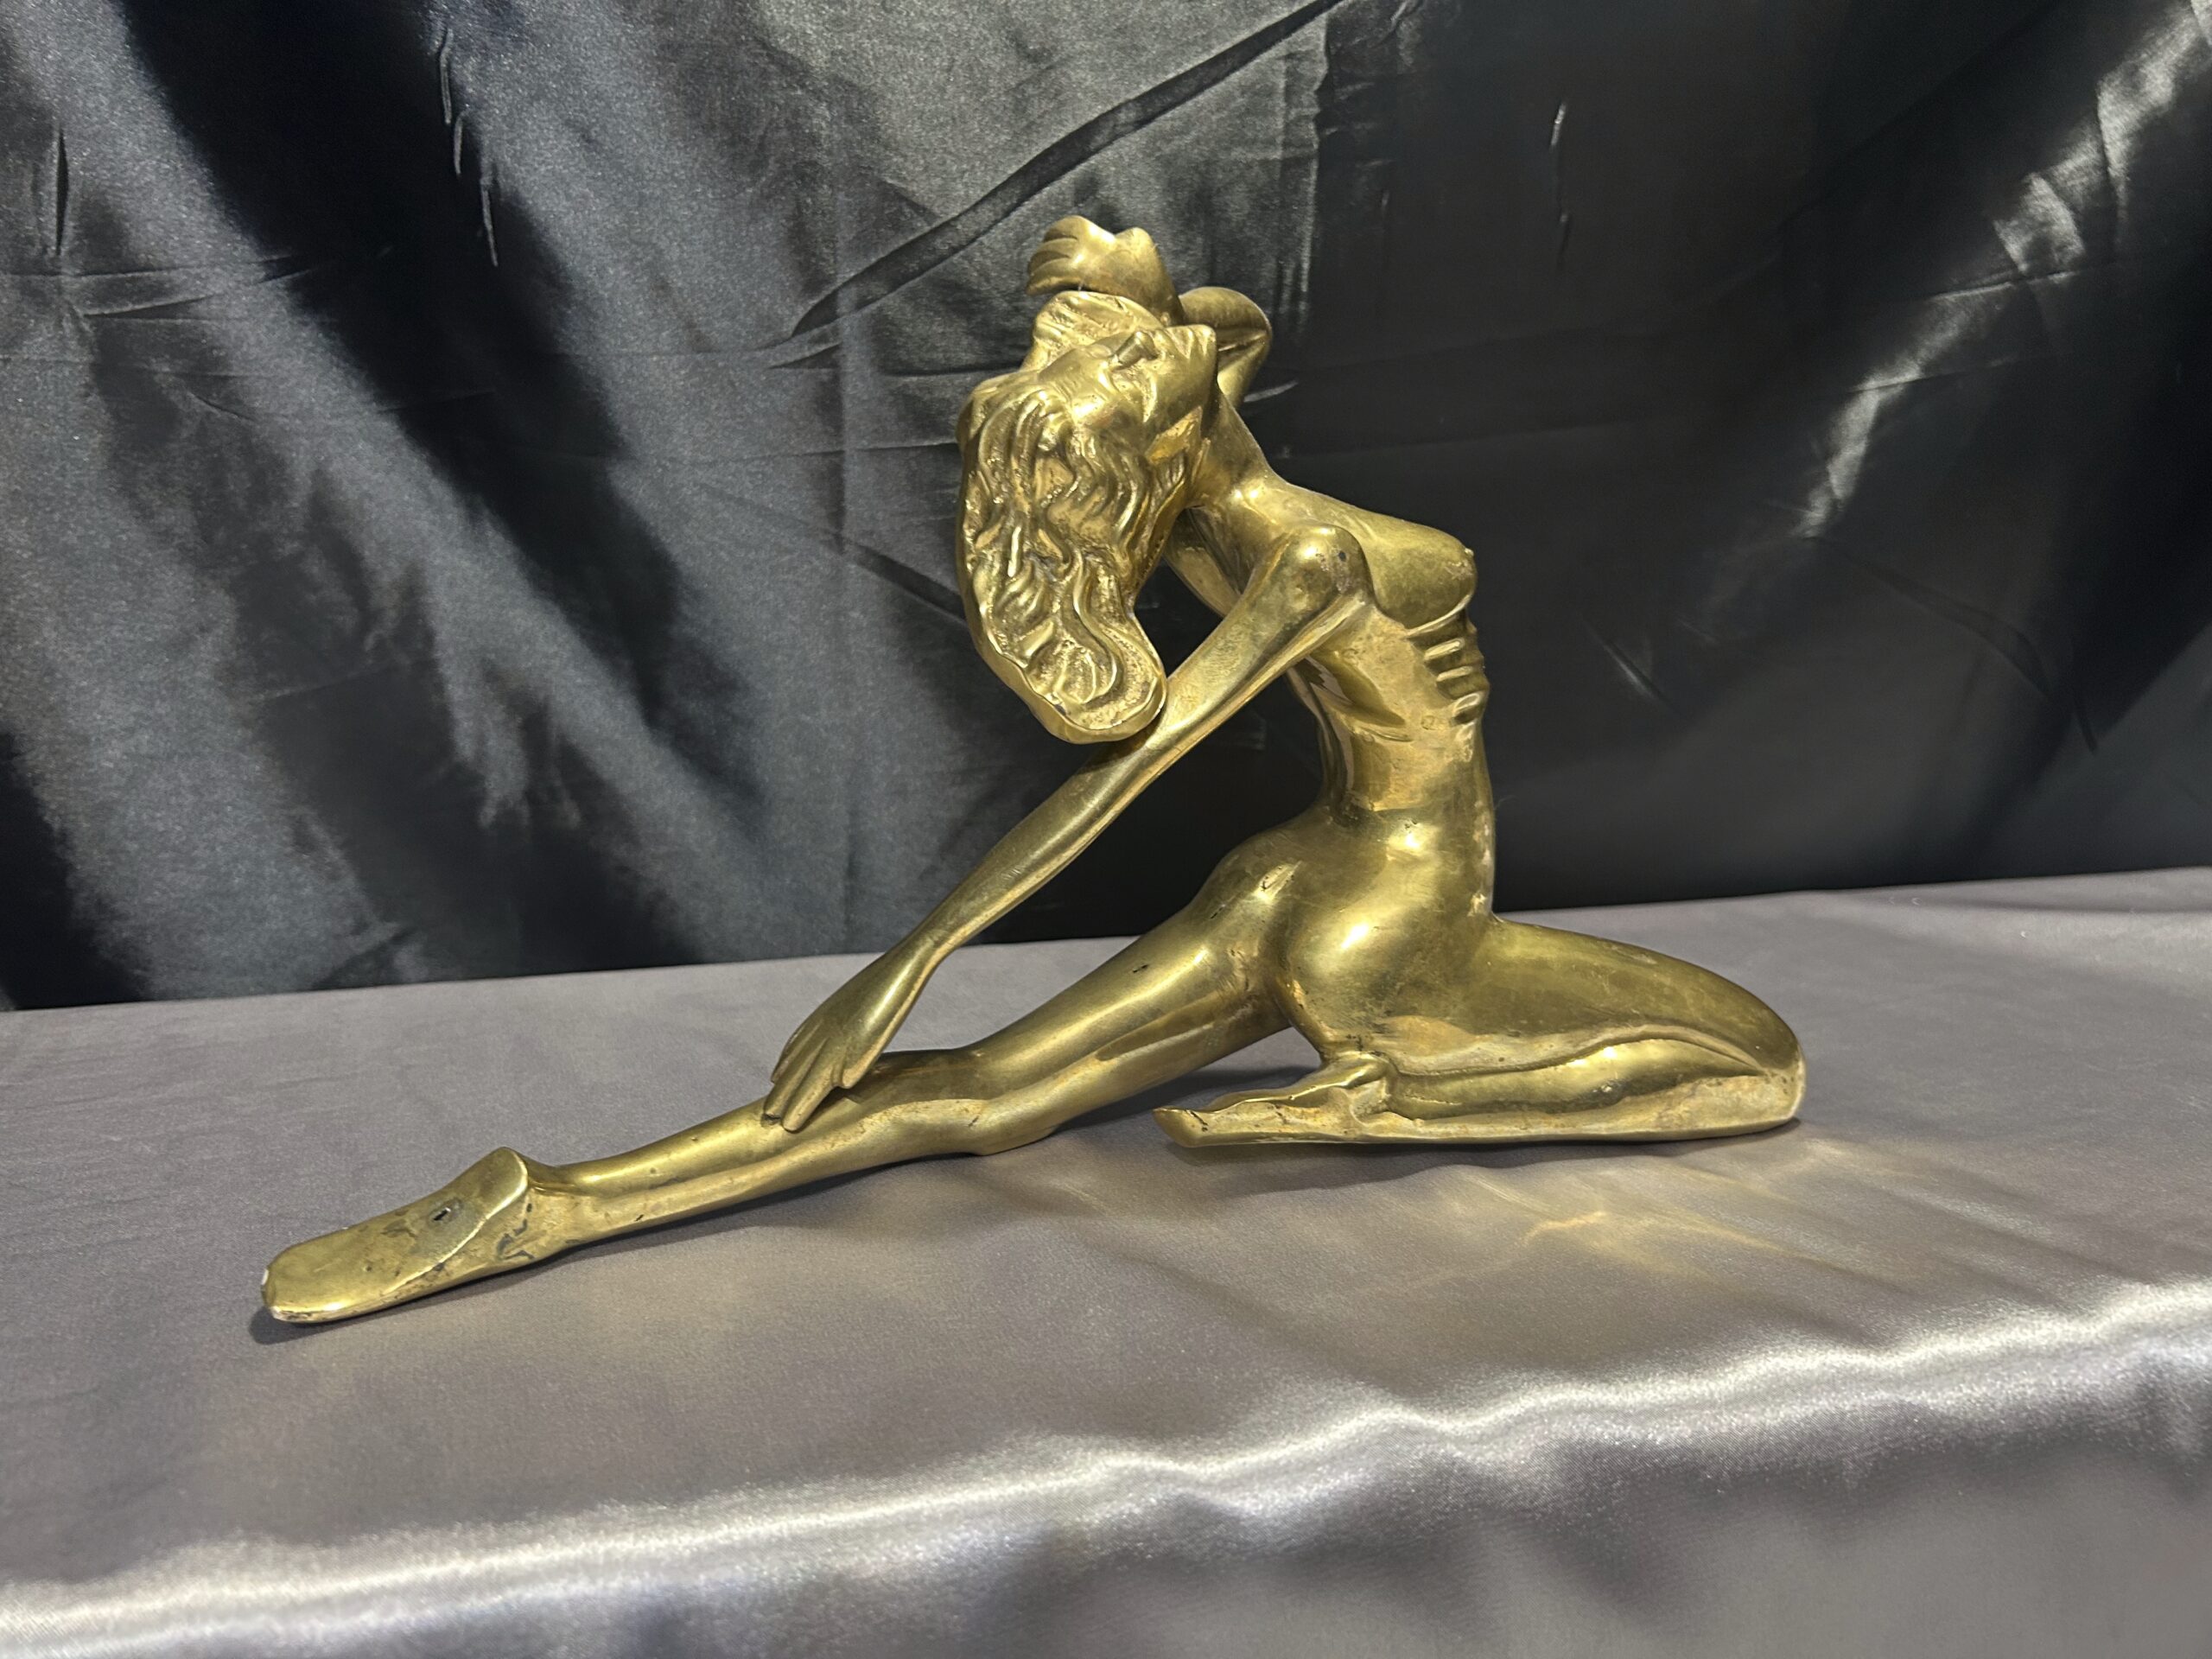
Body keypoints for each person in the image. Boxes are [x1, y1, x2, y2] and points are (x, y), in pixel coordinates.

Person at [264, 219, 1802, 1324]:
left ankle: (564, 1202)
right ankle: (555, 1203)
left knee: (986, 1094)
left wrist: (912, 962)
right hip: (1368, 898)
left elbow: (1135, 757)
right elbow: (1131, 759)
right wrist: (909, 962)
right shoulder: (1272, 541)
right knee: (1758, 1058)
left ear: (1187, 389)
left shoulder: (1263, 542)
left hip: (1317, 885)